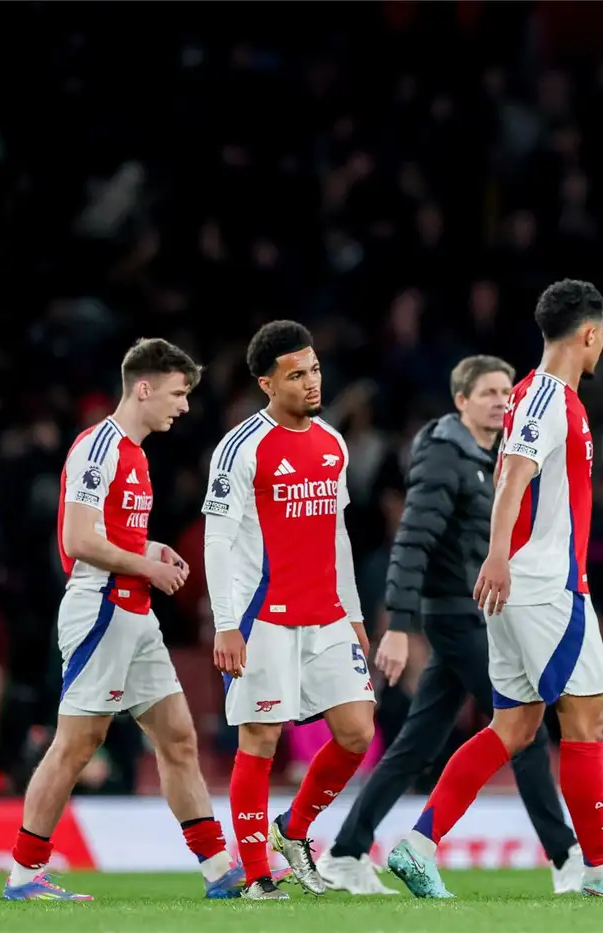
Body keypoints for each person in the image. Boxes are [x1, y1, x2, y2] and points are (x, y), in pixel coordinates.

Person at [385, 279, 603, 898]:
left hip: (524, 587)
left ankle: (418, 845)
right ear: (590, 333)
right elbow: (514, 473)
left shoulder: (532, 395)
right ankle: (602, 871)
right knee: (587, 721)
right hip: (545, 586)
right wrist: (497, 556)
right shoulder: (546, 397)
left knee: (512, 728)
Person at [318, 355, 584, 895]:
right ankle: (567, 859)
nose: (500, 401)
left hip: (474, 613)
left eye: (506, 392)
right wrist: (399, 625)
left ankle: (345, 852)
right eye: (487, 392)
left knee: (417, 744)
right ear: (461, 400)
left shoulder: (492, 456)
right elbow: (412, 539)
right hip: (455, 616)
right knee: (523, 730)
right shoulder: (444, 455)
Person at [7, 339, 245, 901]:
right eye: (178, 393)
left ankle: (219, 870)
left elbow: (110, 534)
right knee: (77, 744)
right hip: (102, 608)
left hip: (134, 611)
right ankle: (23, 875)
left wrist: (152, 549)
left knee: (178, 737)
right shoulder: (100, 447)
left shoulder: (134, 454)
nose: (184, 406)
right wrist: (147, 566)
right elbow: (77, 539)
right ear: (143, 388)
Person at [203, 321, 376, 901]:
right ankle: (257, 876)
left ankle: (293, 830)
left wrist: (354, 613)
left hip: (327, 614)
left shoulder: (332, 442)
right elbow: (217, 542)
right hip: (264, 617)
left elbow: (338, 535)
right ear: (267, 384)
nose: (311, 382)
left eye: (315, 370)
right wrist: (227, 624)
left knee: (356, 732)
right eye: (297, 375)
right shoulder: (240, 448)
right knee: (260, 739)